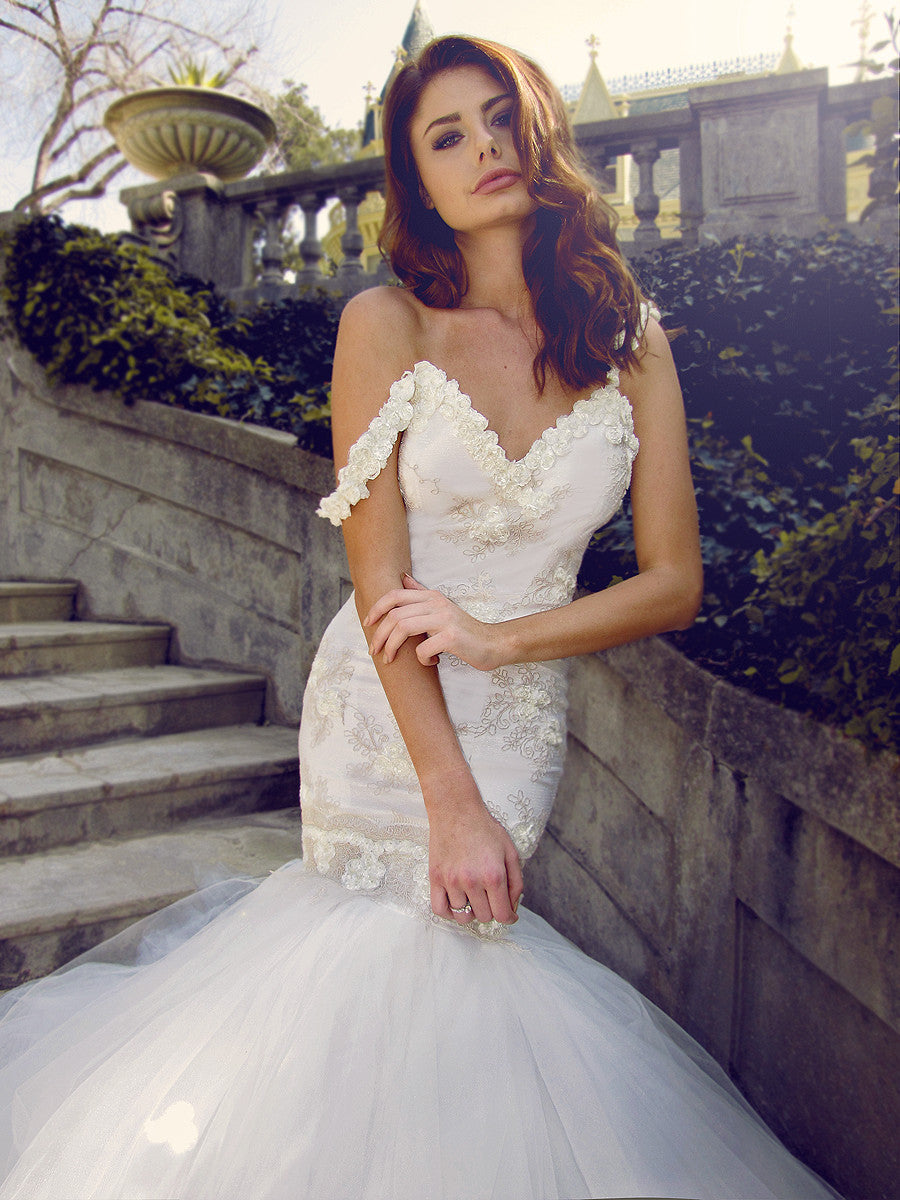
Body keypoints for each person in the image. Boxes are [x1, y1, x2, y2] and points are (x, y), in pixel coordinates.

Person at [0, 34, 839, 1200]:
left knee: (458, 981)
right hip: (389, 712)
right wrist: (448, 798)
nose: (484, 146)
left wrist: (502, 639)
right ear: (418, 180)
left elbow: (673, 581)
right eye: (448, 135)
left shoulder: (627, 339)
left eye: (500, 117)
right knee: (385, 964)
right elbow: (380, 580)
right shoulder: (385, 323)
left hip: (518, 706)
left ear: (538, 129)